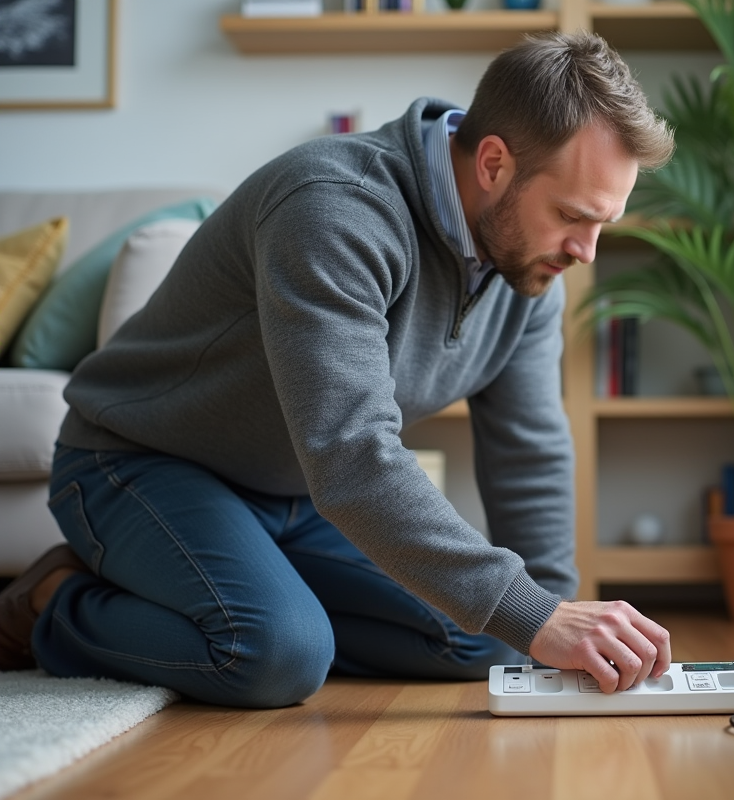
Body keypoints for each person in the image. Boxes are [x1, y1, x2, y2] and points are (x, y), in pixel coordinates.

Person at [0, 32, 676, 708]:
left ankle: (244, 588)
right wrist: (537, 615)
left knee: (496, 637)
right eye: (571, 217)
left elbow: (530, 452)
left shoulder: (528, 268)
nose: (585, 252)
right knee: (276, 655)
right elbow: (352, 455)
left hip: (296, 494)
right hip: (139, 463)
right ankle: (53, 601)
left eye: (602, 226)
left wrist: (555, 620)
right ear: (494, 163)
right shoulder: (332, 206)